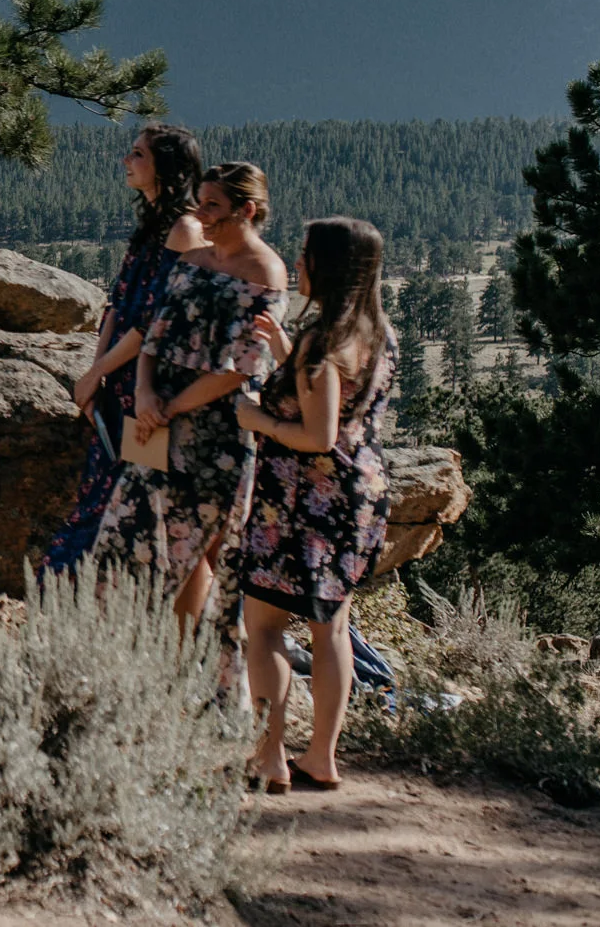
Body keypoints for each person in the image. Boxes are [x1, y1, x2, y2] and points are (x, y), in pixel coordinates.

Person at [94, 162, 288, 672]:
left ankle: (195, 677)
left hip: (215, 438)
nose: (199, 214)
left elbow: (242, 368)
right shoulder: (192, 258)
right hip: (154, 422)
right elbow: (155, 329)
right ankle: (116, 666)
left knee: (196, 557)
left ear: (247, 210)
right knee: (119, 546)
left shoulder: (266, 273)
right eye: (199, 202)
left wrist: (168, 409)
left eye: (212, 206)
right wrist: (144, 391)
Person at [235, 218, 400, 794]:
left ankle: (270, 757)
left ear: (327, 266)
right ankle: (322, 758)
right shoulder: (377, 335)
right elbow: (335, 399)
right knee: (331, 629)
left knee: (264, 629)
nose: (297, 265)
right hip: (358, 498)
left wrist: (256, 416)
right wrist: (288, 355)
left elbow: (318, 434)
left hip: (301, 503)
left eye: (305, 256)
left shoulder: (321, 343)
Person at [47, 124, 208, 570]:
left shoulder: (185, 231)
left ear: (167, 169)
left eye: (138, 154)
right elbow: (118, 305)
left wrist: (97, 373)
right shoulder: (153, 225)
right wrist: (96, 372)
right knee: (125, 498)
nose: (126, 160)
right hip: (120, 382)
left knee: (146, 510)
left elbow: (154, 322)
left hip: (149, 389)